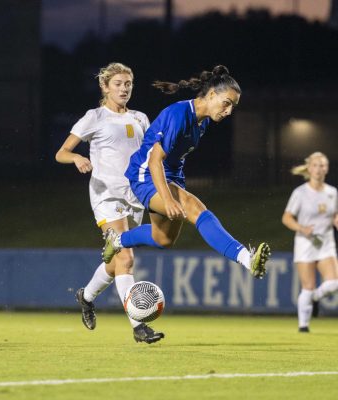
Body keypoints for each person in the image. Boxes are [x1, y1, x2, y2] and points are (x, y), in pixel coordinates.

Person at [102, 65, 271, 280]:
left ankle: (117, 241)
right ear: (211, 95)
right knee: (194, 207)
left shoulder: (202, 121)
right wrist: (168, 198)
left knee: (162, 239)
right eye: (226, 103)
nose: (229, 111)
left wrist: (173, 190)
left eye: (233, 106)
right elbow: (155, 161)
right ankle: (247, 258)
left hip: (168, 177)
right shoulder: (179, 115)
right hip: (146, 174)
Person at [55, 62, 164, 344]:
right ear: (105, 87)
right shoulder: (95, 117)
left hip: (135, 196)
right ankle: (139, 326)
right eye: (118, 84)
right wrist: (77, 158)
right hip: (106, 195)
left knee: (116, 264)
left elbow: (152, 156)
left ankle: (86, 295)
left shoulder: (140, 118)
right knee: (125, 258)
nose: (124, 88)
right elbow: (61, 153)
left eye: (128, 83)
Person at [282, 152, 338, 333]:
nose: (319, 169)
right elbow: (287, 218)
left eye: (322, 165)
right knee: (308, 285)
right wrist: (301, 228)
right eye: (315, 165)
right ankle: (303, 326)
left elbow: (334, 216)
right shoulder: (300, 193)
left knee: (334, 283)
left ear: (326, 169)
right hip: (305, 243)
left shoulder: (332, 192)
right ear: (309, 168)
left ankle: (313, 297)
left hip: (326, 242)